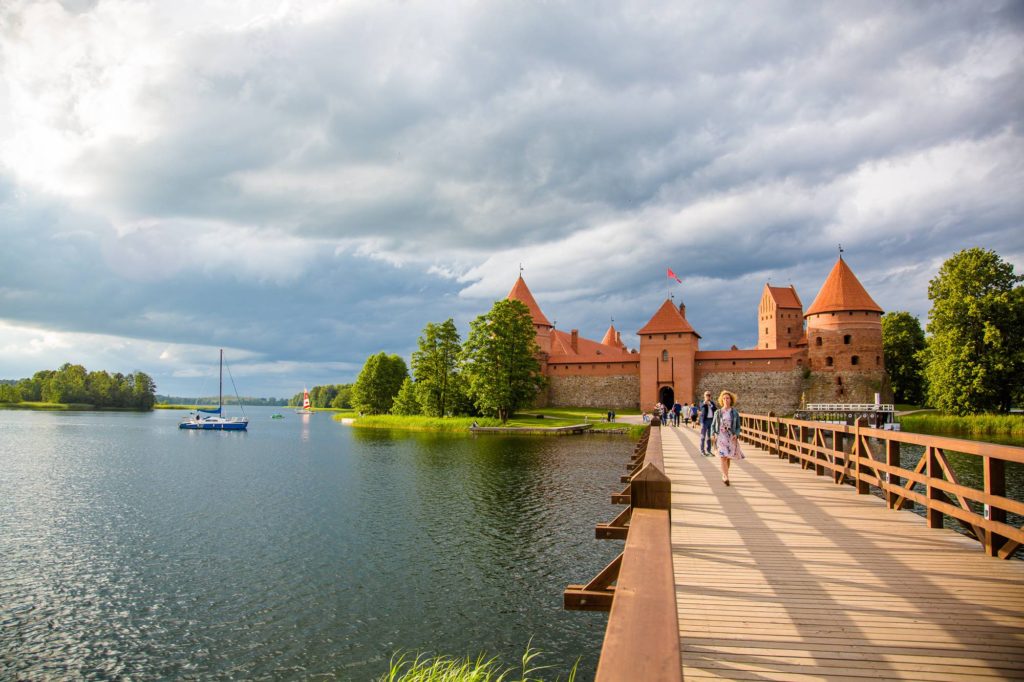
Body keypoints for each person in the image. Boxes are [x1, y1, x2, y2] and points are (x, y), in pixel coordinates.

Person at [710, 390, 743, 485]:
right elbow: (713, 425)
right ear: (721, 400)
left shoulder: (735, 413)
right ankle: (725, 476)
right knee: (723, 457)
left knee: (728, 458)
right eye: (724, 398)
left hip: (731, 437)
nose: (725, 400)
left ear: (731, 399)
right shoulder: (718, 412)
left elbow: (738, 427)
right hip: (721, 437)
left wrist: (736, 434)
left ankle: (724, 473)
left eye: (727, 398)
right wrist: (712, 434)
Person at [698, 391, 717, 455]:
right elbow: (701, 407)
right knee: (703, 436)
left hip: (711, 421)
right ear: (704, 396)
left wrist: (710, 405)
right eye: (707, 395)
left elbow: (715, 409)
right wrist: (705, 403)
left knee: (709, 437)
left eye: (709, 395)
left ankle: (708, 451)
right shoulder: (701, 402)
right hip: (704, 421)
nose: (708, 396)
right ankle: (702, 451)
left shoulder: (712, 403)